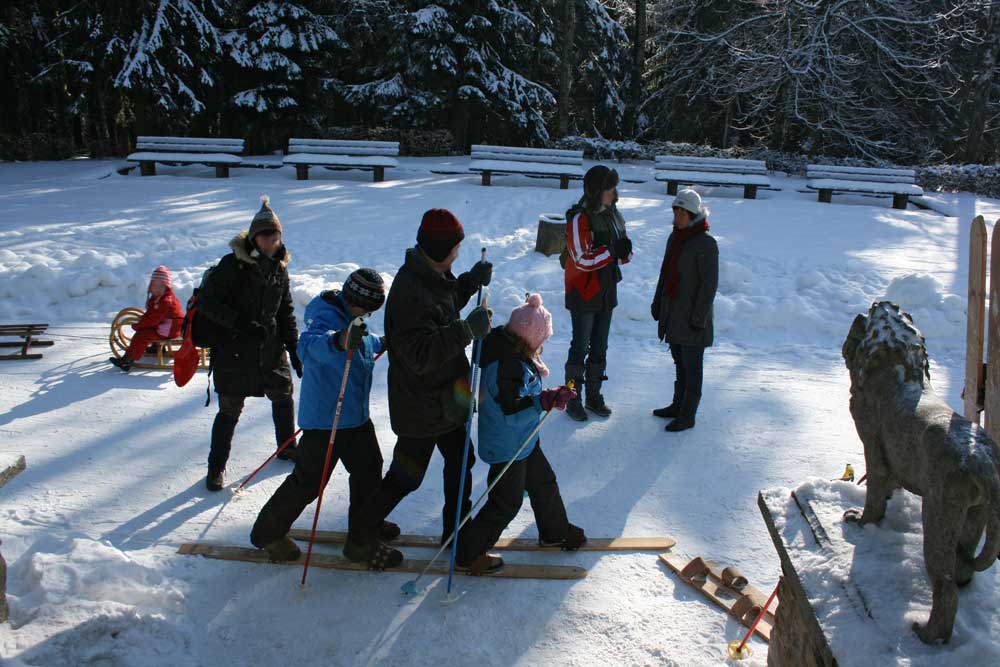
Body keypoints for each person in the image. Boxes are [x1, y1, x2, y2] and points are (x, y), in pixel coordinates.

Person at [351, 208, 493, 558]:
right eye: (455, 249)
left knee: (461, 460)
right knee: (407, 475)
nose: (458, 254)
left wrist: (470, 282)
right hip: (422, 403)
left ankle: (456, 534)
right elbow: (420, 354)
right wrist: (466, 330)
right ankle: (359, 539)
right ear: (440, 248)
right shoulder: (409, 291)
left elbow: (443, 306)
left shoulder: (430, 274)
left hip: (447, 397)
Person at [249, 269, 404, 568]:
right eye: (366, 308)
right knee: (308, 483)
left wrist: (385, 342)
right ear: (352, 298)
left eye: (372, 310)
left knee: (369, 471)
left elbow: (365, 343)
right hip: (326, 421)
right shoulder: (324, 316)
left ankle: (364, 530)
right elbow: (308, 346)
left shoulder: (354, 318)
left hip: (354, 417)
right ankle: (267, 534)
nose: (368, 313)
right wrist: (339, 341)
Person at [455, 294, 586, 574]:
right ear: (529, 337)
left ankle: (555, 532)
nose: (544, 344)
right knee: (506, 503)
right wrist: (545, 401)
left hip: (523, 440)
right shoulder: (506, 365)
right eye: (543, 338)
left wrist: (549, 396)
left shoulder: (513, 354)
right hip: (507, 445)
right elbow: (512, 409)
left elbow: (524, 396)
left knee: (543, 483)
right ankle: (468, 554)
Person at [196, 196, 302, 491]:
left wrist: (294, 348)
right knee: (230, 408)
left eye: (276, 235)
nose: (272, 240)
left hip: (269, 348)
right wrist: (241, 324)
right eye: (267, 235)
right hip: (235, 350)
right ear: (254, 237)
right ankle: (216, 468)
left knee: (283, 395)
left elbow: (285, 310)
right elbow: (208, 303)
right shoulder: (232, 265)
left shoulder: (280, 269)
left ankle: (287, 446)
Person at [563, 165, 632, 422]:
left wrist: (624, 251)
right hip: (583, 291)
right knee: (580, 346)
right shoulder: (580, 218)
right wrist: (613, 252)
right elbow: (581, 259)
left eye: (613, 188)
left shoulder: (614, 215)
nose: (614, 193)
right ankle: (571, 398)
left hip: (606, 290)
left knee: (600, 346)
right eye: (609, 188)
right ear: (596, 192)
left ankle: (594, 395)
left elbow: (621, 251)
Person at [650, 188, 719, 432]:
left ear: (693, 214)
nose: (677, 217)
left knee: (692, 367)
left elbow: (709, 285)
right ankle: (677, 405)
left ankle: (688, 415)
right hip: (674, 313)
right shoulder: (675, 238)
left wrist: (698, 318)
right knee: (679, 362)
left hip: (692, 317)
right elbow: (664, 272)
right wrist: (658, 302)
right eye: (675, 212)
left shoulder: (706, 243)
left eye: (682, 213)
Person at [110, 265, 184, 372]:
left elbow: (152, 320)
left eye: (161, 287)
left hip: (170, 330)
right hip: (166, 327)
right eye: (155, 286)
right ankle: (156, 348)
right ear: (151, 286)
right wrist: (143, 320)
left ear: (166, 287)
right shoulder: (158, 298)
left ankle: (128, 360)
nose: (157, 289)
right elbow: (151, 314)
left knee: (142, 335)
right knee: (147, 330)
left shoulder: (165, 301)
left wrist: (138, 325)